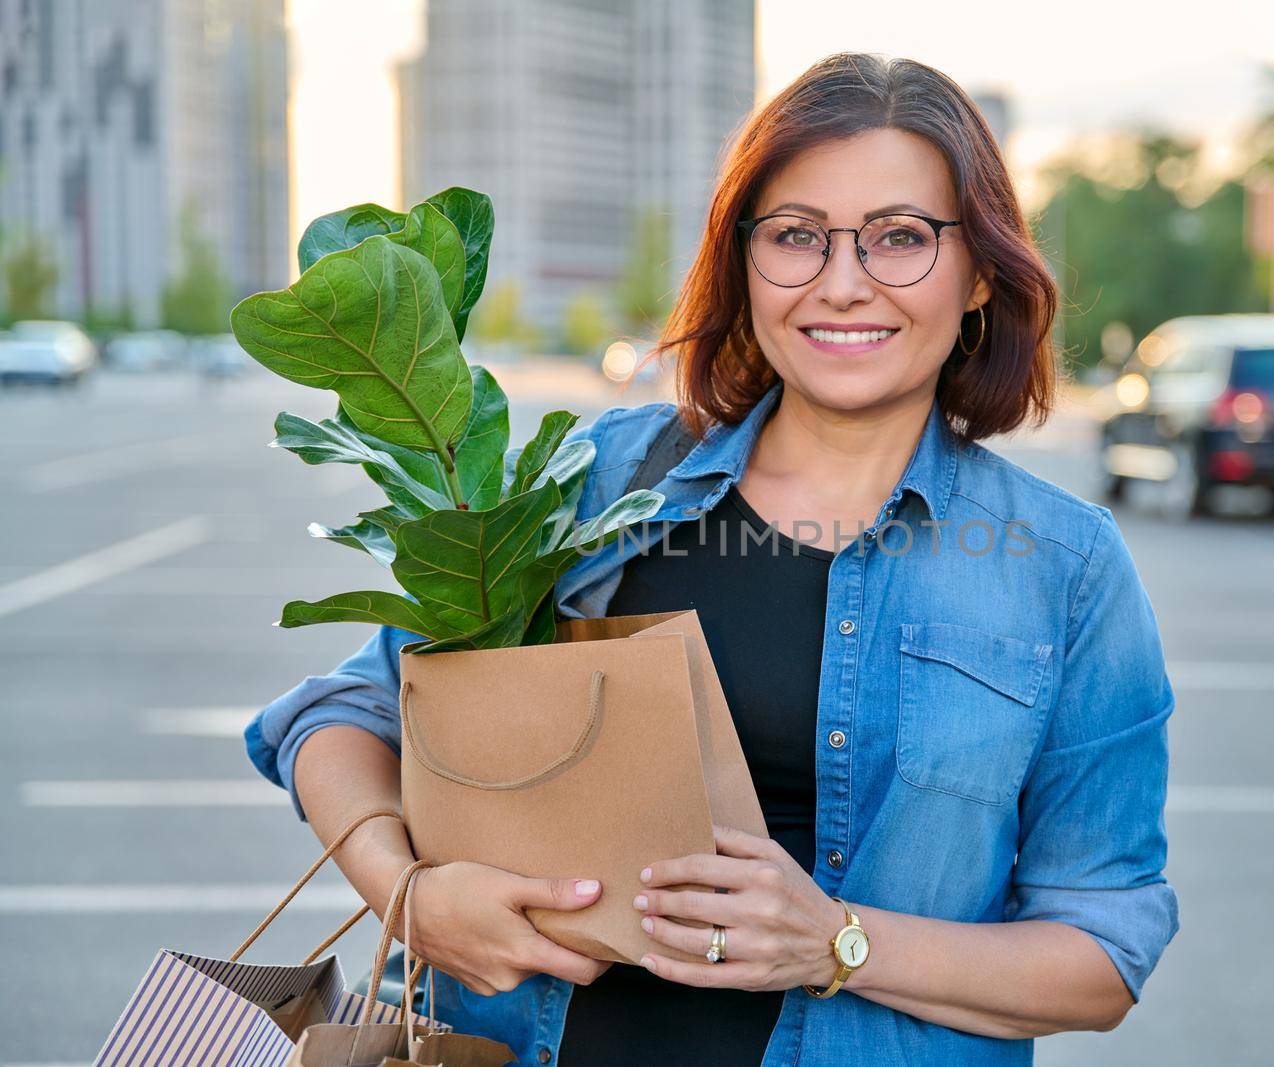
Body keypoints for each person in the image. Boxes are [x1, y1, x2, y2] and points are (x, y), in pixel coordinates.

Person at [246, 52, 1179, 1066]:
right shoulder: (597, 483)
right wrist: (409, 891)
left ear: (981, 273)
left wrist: (835, 941)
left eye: (901, 238)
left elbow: (1099, 954)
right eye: (794, 237)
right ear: (743, 261)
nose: (841, 283)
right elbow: (341, 714)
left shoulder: (1062, 569)